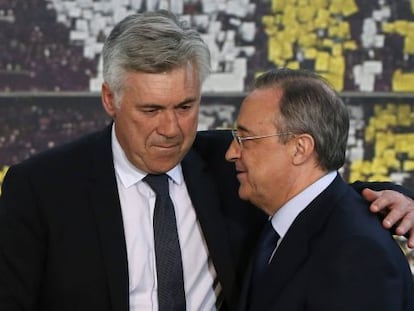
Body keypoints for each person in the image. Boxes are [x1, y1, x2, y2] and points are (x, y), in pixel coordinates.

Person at [0, 10, 413, 311]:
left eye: (185, 106)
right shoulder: (40, 189)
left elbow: (310, 191)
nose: (171, 128)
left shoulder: (230, 163)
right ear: (111, 99)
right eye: (150, 110)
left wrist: (394, 200)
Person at [225, 68, 414, 311]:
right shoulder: (294, 221)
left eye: (245, 139)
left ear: (299, 148)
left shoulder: (358, 255)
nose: (230, 152)